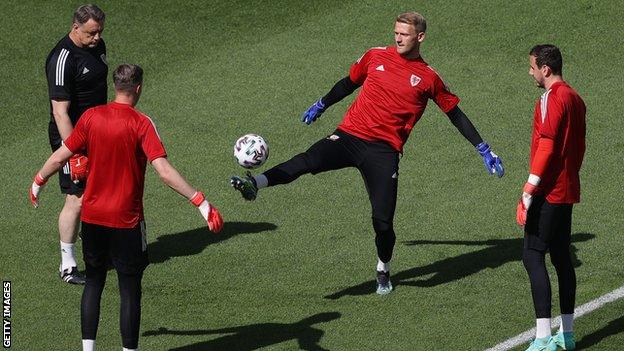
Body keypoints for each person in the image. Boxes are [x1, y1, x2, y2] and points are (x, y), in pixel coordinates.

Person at [231, 12, 504, 295]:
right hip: (349, 136)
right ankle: (255, 183)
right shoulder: (375, 56)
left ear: (419, 37)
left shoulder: (428, 77)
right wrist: (322, 103)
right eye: (396, 32)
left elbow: (455, 114)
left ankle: (383, 268)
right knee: (307, 160)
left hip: (384, 152)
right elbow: (348, 82)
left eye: (404, 34)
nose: (398, 38)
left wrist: (483, 148)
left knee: (382, 221)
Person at [29, 64, 224, 351]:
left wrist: (38, 180)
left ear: (115, 86)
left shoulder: (91, 117)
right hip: (127, 222)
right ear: (139, 89)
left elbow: (61, 156)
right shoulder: (141, 123)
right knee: (129, 290)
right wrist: (200, 201)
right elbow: (165, 172)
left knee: (94, 282)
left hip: (94, 219)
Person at [517, 44, 586, 351]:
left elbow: (547, 145)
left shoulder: (551, 98)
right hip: (568, 189)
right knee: (560, 257)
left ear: (545, 69)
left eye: (532, 67)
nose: (530, 72)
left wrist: (529, 189)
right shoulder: (576, 98)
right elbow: (578, 147)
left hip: (549, 190)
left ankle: (544, 336)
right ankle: (567, 335)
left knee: (532, 254)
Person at [45, 4, 108, 284]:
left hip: (98, 134)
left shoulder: (97, 45)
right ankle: (68, 265)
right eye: (91, 33)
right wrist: (74, 151)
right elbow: (60, 111)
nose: (96, 38)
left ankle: (93, 240)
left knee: (100, 190)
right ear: (75, 27)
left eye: (99, 32)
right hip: (71, 137)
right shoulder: (62, 58)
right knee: (77, 196)